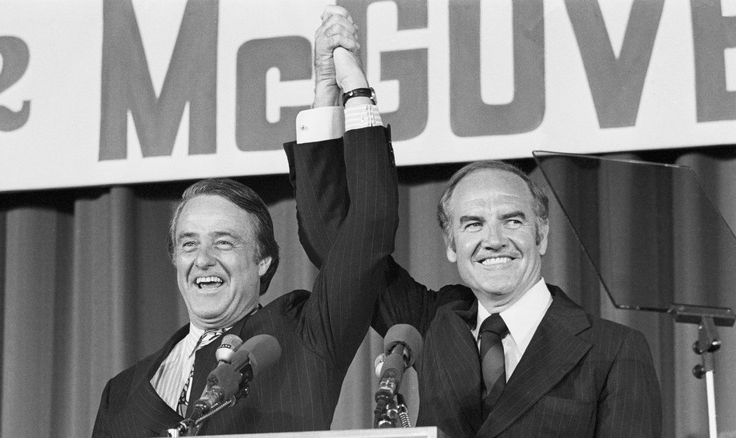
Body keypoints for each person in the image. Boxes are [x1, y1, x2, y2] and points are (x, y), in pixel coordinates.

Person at [287, 8, 662, 438]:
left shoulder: (614, 350)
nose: (494, 240)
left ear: (542, 234)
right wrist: (338, 93)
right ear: (450, 245)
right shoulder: (433, 322)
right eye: (472, 224)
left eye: (512, 220)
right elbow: (342, 250)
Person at [91, 8, 398, 437]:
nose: (203, 259)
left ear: (264, 262)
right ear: (174, 259)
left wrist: (338, 89)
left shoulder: (304, 333)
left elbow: (366, 231)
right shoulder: (121, 393)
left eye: (224, 243)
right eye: (188, 244)